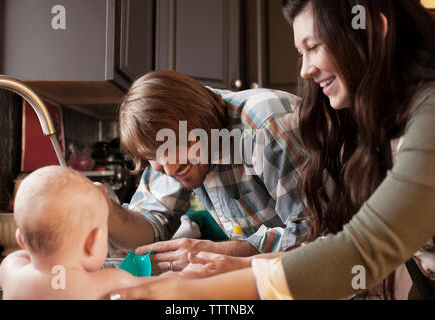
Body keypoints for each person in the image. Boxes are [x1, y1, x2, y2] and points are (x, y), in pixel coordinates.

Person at [107, 0, 435, 300]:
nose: (305, 70)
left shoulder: (429, 115)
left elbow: (360, 249)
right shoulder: (383, 122)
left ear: (373, 29)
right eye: (300, 53)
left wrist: (185, 291)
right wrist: (231, 268)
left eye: (314, 47)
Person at [107, 70, 308, 272]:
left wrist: (222, 252)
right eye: (150, 156)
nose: (167, 170)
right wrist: (105, 210)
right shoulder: (174, 141)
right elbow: (150, 225)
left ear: (199, 122)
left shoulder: (266, 124)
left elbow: (316, 233)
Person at [0, 166, 161, 299]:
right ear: (92, 242)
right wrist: (185, 275)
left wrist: (36, 246)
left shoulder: (12, 273)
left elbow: (17, 257)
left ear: (20, 240)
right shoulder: (108, 281)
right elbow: (156, 286)